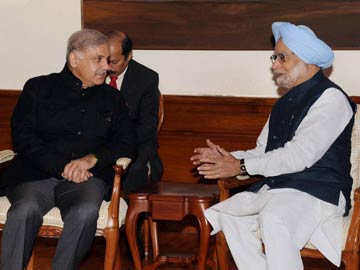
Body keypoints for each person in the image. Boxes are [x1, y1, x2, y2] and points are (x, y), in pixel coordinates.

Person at [191, 22, 356, 270]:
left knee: (274, 218)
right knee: (229, 215)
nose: (274, 64)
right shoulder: (282, 104)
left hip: (319, 191)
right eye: (274, 57)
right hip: (282, 190)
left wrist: (240, 165)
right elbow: (262, 153)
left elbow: (299, 156)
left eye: (281, 57)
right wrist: (226, 158)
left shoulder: (331, 99)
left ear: (307, 59)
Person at [0, 29, 136, 270]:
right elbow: (23, 138)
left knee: (85, 212)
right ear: (74, 59)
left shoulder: (112, 99)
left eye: (108, 60)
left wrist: (92, 159)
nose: (106, 67)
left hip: (87, 179)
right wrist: (62, 165)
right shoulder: (38, 88)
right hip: (35, 175)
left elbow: (126, 143)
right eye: (98, 59)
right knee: (24, 211)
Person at [106, 31, 163, 193]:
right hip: (99, 143)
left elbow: (147, 127)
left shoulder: (146, 78)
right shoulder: (94, 72)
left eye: (114, 62)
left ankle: (130, 216)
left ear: (129, 55)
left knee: (134, 171)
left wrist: (118, 146)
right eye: (105, 60)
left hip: (135, 144)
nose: (108, 67)